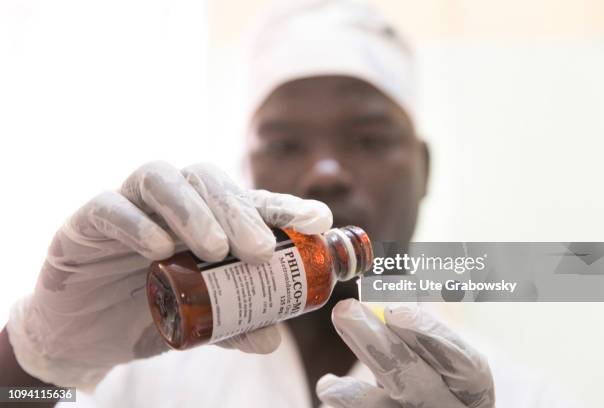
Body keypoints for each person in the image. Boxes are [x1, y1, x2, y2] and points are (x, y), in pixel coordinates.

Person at [0, 1, 572, 407]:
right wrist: (35, 361)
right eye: (284, 144)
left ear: (424, 170)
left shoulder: (521, 394)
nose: (325, 172)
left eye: (369, 139)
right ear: (248, 173)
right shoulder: (153, 369)